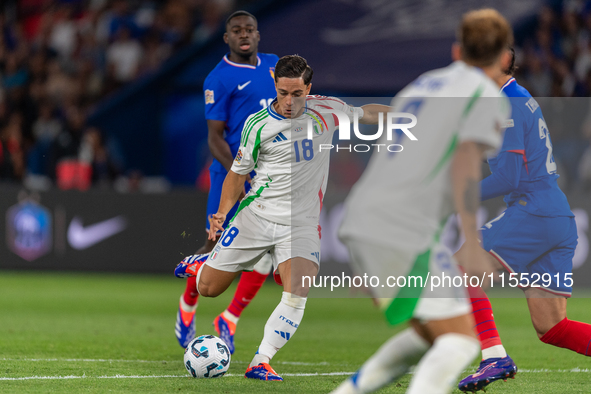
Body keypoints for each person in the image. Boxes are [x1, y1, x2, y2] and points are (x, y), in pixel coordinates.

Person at [176, 54, 390, 380]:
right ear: (275, 85)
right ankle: (200, 266)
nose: (289, 101)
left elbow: (368, 114)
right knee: (208, 288)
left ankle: (261, 360)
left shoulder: (328, 110)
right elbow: (237, 174)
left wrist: (414, 114)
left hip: (301, 223)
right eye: (283, 93)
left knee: (298, 289)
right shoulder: (257, 124)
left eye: (297, 94)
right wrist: (221, 213)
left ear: (309, 88)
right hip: (256, 215)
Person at [332, 9, 512, 394]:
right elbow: (465, 162)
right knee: (463, 339)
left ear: (456, 50)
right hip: (405, 227)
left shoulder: (419, 86)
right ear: (502, 59)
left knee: (431, 332)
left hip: (365, 215)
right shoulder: (485, 95)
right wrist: (471, 239)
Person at [457, 47, 591, 392]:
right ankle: (493, 356)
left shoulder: (509, 102)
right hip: (553, 214)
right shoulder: (510, 99)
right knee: (553, 327)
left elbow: (509, 179)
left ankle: (493, 356)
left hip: (535, 209)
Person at [174, 10, 279, 353]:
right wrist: (241, 169)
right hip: (231, 176)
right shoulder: (218, 79)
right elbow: (215, 138)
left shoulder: (275, 65)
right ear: (227, 38)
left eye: (250, 29)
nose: (244, 34)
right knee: (215, 249)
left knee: (266, 251)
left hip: (269, 176)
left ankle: (229, 318)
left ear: (258, 34)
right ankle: (188, 306)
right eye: (237, 30)